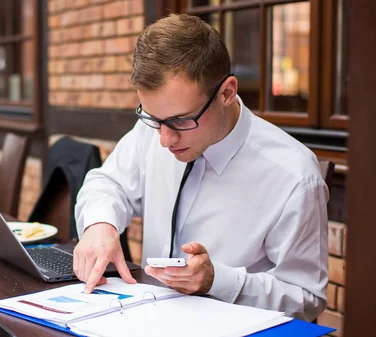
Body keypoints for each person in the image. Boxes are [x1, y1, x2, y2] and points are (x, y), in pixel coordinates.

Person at [73, 13, 328, 322]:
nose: (165, 139)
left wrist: (217, 281)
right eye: (153, 119)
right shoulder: (154, 130)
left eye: (181, 120)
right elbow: (107, 182)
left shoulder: (294, 176)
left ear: (227, 93)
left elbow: (308, 299)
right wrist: (100, 226)